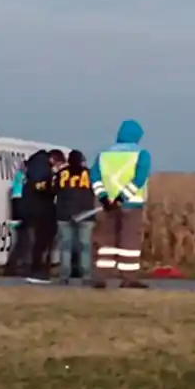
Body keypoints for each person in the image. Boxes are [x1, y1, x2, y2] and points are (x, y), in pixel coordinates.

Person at [90, 119, 152, 288]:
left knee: (105, 240)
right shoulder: (141, 154)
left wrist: (104, 197)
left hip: (106, 206)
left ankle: (101, 277)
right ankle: (128, 278)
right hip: (131, 205)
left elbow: (95, 177)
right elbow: (139, 178)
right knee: (129, 241)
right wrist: (122, 198)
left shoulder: (103, 155)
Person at [53, 149, 103, 287]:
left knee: (65, 246)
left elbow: (53, 190)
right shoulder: (89, 173)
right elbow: (98, 190)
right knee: (85, 246)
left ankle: (64, 276)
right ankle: (86, 276)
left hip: (64, 214)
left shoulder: (61, 174)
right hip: (86, 214)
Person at [24, 149, 62, 284]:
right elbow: (41, 187)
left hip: (36, 208)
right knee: (42, 241)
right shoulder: (42, 168)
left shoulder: (36, 165)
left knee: (38, 242)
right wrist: (53, 188)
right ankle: (38, 270)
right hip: (41, 209)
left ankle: (37, 268)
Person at [4, 159, 30, 275]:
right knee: (23, 241)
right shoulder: (23, 179)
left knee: (21, 241)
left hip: (17, 213)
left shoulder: (17, 180)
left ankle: (13, 265)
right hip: (20, 213)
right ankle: (14, 265)